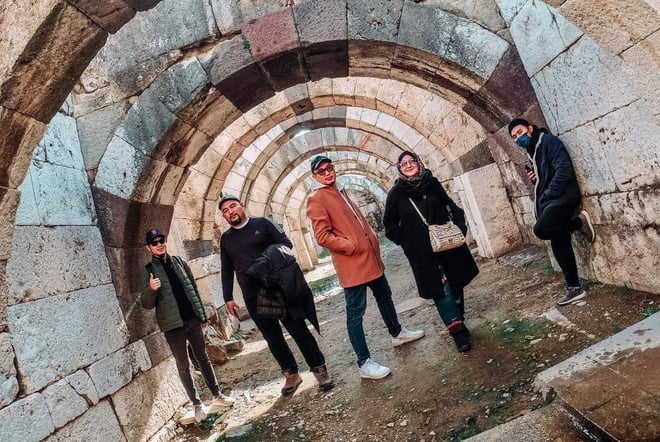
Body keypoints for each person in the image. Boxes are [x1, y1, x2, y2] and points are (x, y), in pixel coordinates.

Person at [306, 155, 425, 380]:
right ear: (315, 176)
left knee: (385, 296)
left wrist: (369, 240)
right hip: (353, 264)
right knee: (355, 313)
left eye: (329, 167)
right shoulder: (317, 198)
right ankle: (364, 362)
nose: (328, 173)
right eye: (321, 171)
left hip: (370, 258)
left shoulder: (339, 190)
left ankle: (397, 332)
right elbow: (322, 236)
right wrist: (350, 246)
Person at [219, 195, 334, 395]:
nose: (230, 212)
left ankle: (319, 370)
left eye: (233, 206)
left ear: (241, 206)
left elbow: (286, 244)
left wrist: (264, 263)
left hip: (277, 288)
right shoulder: (226, 239)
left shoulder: (262, 223)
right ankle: (291, 374)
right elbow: (226, 268)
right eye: (225, 211)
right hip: (252, 295)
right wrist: (227, 297)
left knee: (299, 331)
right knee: (273, 339)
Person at [383, 151, 478, 353]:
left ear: (419, 162)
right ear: (399, 168)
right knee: (441, 290)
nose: (408, 165)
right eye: (403, 163)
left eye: (412, 161)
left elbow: (450, 205)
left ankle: (460, 320)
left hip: (448, 246)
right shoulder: (396, 194)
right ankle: (458, 333)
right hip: (423, 254)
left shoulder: (432, 183)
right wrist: (408, 243)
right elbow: (389, 226)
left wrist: (459, 227)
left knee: (456, 284)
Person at [141, 229, 235, 423]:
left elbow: (193, 289)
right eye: (155, 242)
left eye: (161, 240)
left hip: (192, 319)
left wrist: (202, 316)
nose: (159, 244)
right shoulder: (148, 270)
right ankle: (197, 404)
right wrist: (151, 290)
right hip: (172, 326)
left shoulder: (180, 262)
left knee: (203, 357)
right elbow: (146, 304)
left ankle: (217, 395)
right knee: (184, 365)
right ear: (149, 247)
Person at [508, 118, 596, 305]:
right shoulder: (531, 152)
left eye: (520, 132)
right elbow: (544, 178)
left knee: (542, 230)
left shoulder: (548, 142)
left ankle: (579, 223)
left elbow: (563, 170)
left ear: (530, 129)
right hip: (551, 201)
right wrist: (535, 180)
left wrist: (547, 194)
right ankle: (574, 287)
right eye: (514, 136)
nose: (518, 138)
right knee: (558, 239)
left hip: (563, 196)